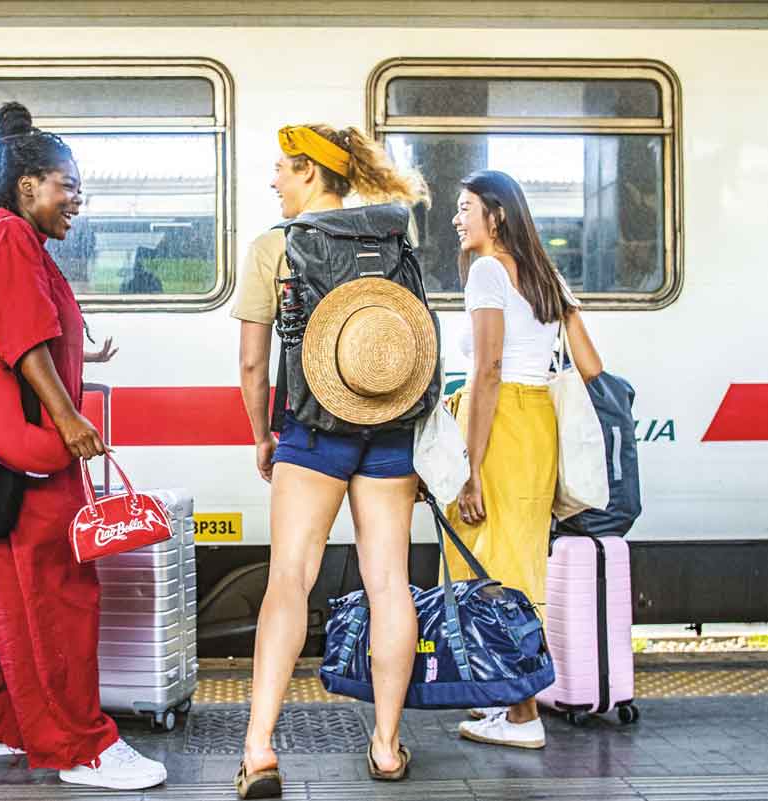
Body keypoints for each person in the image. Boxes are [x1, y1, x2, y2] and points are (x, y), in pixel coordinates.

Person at [0, 101, 163, 789]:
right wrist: (70, 417)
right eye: (67, 184)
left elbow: (3, 342)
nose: (77, 199)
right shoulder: (10, 241)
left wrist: (78, 361)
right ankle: (78, 747)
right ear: (28, 184)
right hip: (28, 454)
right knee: (53, 594)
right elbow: (25, 344)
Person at [231, 124, 429, 798]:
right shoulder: (398, 234)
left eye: (282, 169)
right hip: (391, 423)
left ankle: (259, 749)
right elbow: (416, 331)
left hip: (312, 428)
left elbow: (255, 361)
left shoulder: (275, 247)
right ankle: (385, 745)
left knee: (290, 576)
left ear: (312, 173)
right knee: (389, 581)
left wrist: (263, 431)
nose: (274, 181)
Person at [444, 169, 602, 749]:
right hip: (537, 424)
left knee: (496, 568)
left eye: (465, 208)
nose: (456, 219)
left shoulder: (488, 271)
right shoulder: (546, 275)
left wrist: (471, 471)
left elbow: (485, 370)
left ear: (497, 214)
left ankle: (521, 713)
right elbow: (591, 364)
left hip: (501, 423)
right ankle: (512, 702)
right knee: (519, 562)